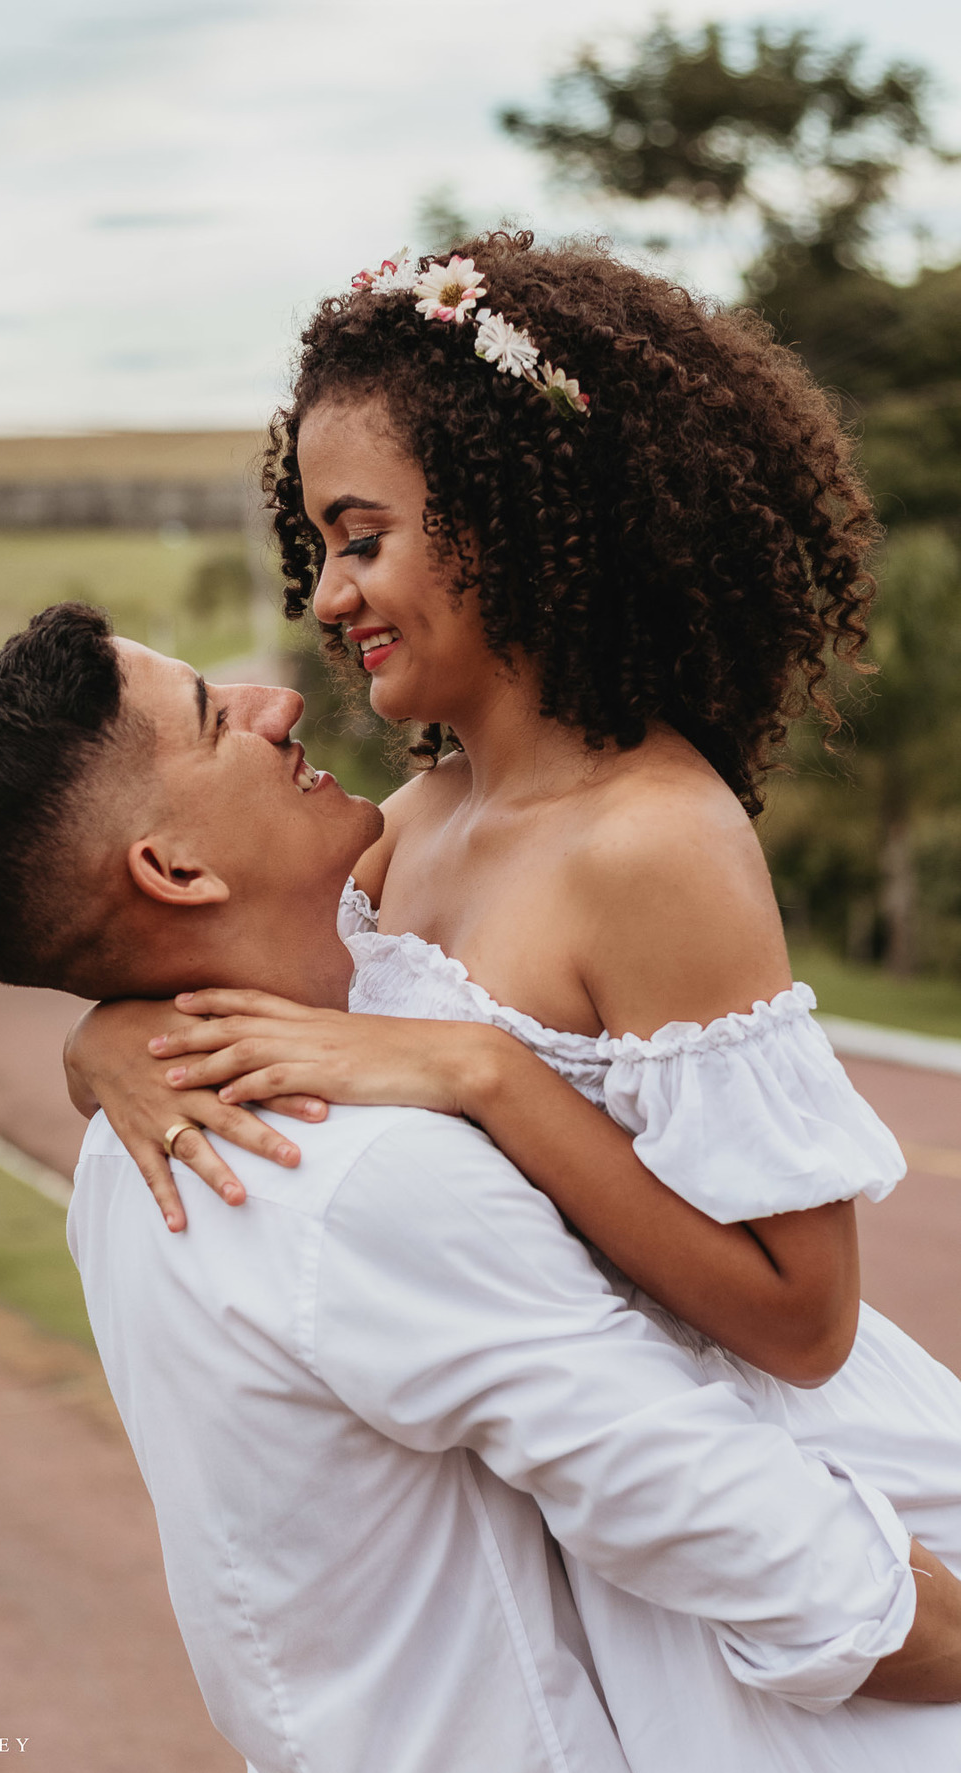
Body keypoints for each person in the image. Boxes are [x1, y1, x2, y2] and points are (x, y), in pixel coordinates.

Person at [0, 604, 961, 1773]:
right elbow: (720, 1520)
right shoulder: (357, 1174)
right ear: (173, 869)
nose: (277, 698)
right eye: (212, 716)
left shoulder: (125, 1153)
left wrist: (106, 1036)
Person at [65, 235, 961, 1587]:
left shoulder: (655, 841)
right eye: (318, 547)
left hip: (787, 1496)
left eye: (362, 538)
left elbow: (804, 1319)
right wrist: (105, 1044)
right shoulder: (409, 825)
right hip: (590, 1508)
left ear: (513, 512)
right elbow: (256, 1003)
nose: (329, 598)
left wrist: (487, 1076)